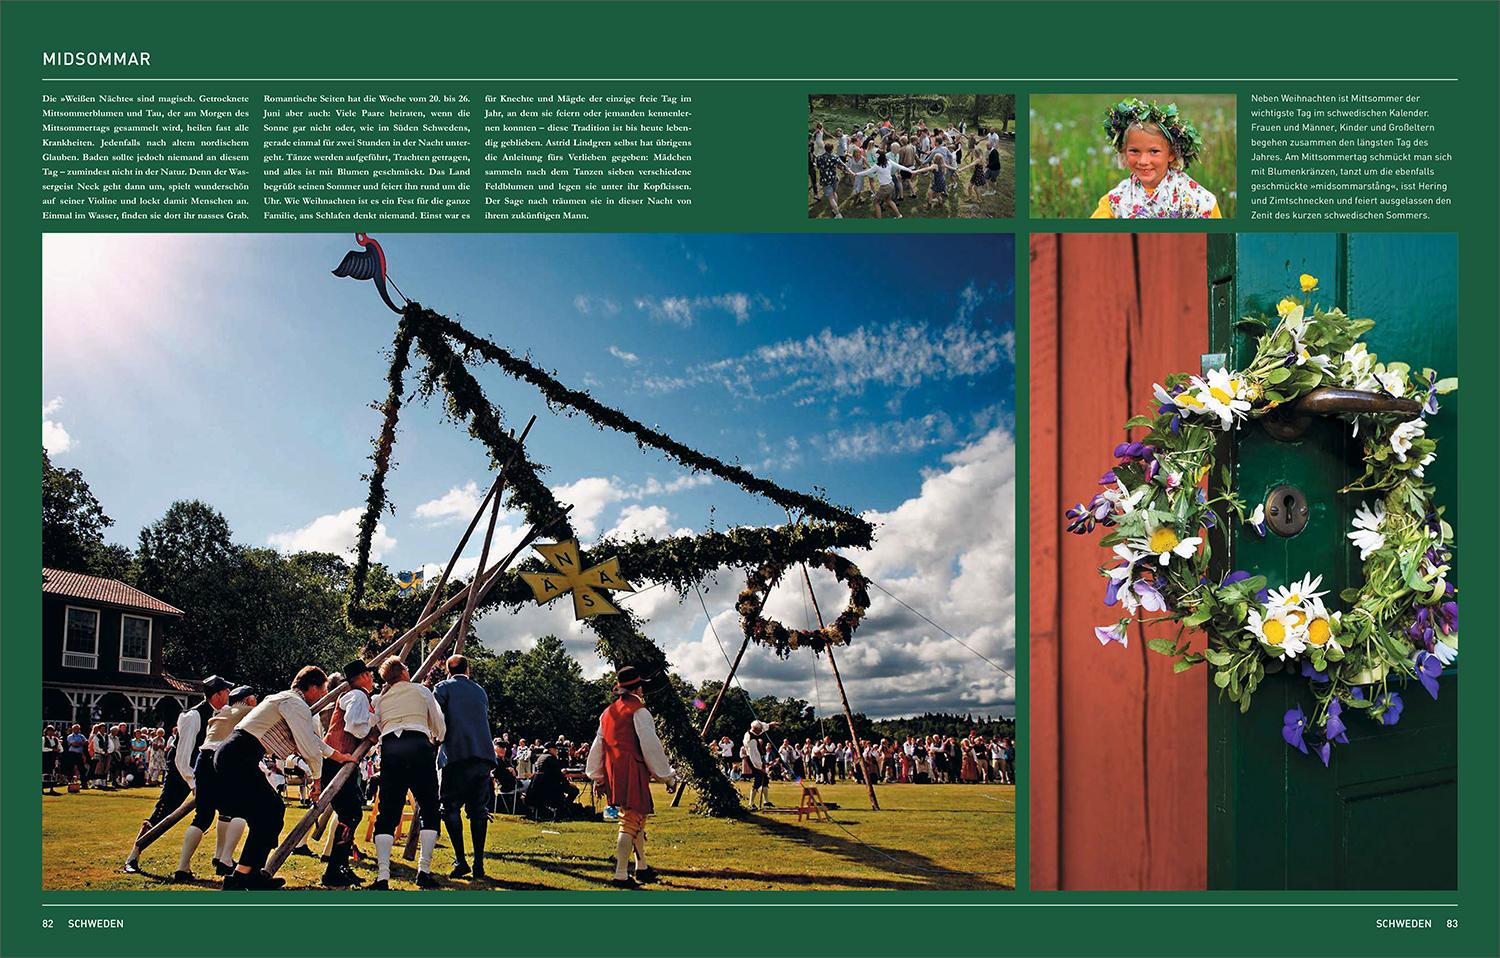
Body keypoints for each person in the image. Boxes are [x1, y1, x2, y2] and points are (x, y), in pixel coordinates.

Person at [215, 667, 351, 890]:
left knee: (270, 813)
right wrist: (317, 781)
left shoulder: (285, 700)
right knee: (270, 812)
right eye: (323, 690)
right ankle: (241, 877)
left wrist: (336, 755)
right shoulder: (294, 703)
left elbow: (310, 740)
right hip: (238, 756)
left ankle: (248, 875)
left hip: (238, 755)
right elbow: (308, 746)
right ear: (313, 687)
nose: (323, 695)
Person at [126, 676, 234, 870]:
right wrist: (194, 783)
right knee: (163, 813)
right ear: (217, 694)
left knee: (226, 809)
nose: (229, 693)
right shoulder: (193, 716)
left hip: (205, 773)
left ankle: (222, 860)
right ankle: (133, 856)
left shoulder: (222, 714)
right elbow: (182, 757)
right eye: (226, 691)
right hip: (182, 774)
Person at [586, 665, 677, 888]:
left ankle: (642, 866)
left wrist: (598, 776)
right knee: (630, 821)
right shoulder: (639, 712)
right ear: (637, 688)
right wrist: (667, 776)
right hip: (631, 768)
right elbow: (651, 746)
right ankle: (620, 874)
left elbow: (599, 745)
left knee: (636, 820)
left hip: (614, 770)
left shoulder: (607, 712)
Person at [370, 656, 447, 890]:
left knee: (388, 811)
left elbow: (378, 725)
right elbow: (439, 724)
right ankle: (423, 871)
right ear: (403, 672)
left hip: (391, 748)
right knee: (429, 806)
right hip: (418, 745)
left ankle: (383, 875)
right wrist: (436, 736)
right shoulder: (421, 691)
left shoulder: (381, 700)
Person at [174, 686, 257, 881]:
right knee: (241, 811)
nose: (256, 700)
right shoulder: (246, 710)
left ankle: (182, 867)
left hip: (203, 761)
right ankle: (225, 860)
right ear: (246, 699)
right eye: (254, 697)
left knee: (203, 816)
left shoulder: (221, 713)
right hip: (223, 760)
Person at [1092, 98, 1219, 218]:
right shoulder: (1114, 201)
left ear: (1171, 154)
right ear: (1124, 151)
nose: (1143, 161)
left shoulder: (1196, 199)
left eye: (1154, 151)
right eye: (1134, 151)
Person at [433, 654, 496, 881]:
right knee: (478, 810)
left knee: (449, 807)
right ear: (467, 669)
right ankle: (479, 863)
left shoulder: (442, 688)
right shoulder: (480, 691)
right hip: (482, 755)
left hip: (455, 753)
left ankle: (461, 860)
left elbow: (436, 718)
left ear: (449, 670)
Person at [320, 660, 376, 887]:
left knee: (350, 813)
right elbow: (354, 725)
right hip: (339, 759)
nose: (372, 679)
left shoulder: (358, 695)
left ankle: (339, 867)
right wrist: (372, 728)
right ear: (362, 676)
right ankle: (335, 869)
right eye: (369, 675)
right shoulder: (358, 696)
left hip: (342, 760)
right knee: (351, 813)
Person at [741, 719, 773, 808]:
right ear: (755, 729)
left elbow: (762, 728)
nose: (761, 732)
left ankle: (766, 801)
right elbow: (753, 756)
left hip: (756, 759)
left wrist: (770, 725)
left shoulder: (752, 732)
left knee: (765, 780)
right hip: (753, 761)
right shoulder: (751, 741)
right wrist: (760, 767)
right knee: (758, 781)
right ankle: (750, 804)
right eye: (759, 730)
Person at [43, 726, 63, 793]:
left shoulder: (56, 739)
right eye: (49, 731)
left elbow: (61, 748)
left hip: (53, 758)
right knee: (44, 773)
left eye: (52, 731)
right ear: (46, 731)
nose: (51, 732)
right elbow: (42, 748)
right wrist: (52, 749)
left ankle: (51, 788)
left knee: (53, 773)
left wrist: (59, 750)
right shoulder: (43, 739)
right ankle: (42, 789)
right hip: (45, 757)